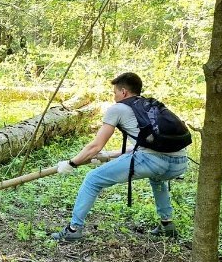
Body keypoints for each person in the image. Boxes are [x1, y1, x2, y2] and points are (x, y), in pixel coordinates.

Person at [51, 72, 189, 241]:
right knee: (157, 178)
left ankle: (73, 230)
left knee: (92, 179)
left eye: (115, 92)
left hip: (153, 162)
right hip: (180, 163)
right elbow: (146, 145)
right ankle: (167, 225)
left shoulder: (118, 109)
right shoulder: (149, 106)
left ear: (123, 92)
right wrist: (110, 155)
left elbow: (95, 146)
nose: (114, 96)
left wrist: (71, 163)